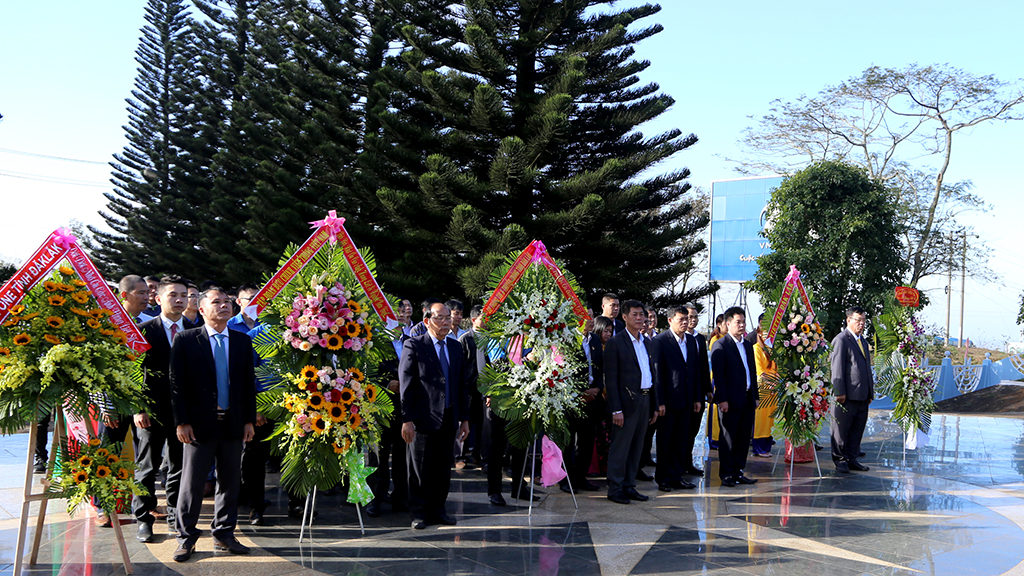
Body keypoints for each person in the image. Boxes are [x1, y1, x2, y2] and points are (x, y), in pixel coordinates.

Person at [169, 287, 257, 562]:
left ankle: (224, 534)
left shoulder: (242, 341)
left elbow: (246, 385)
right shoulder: (186, 339)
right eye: (216, 302)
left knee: (230, 482)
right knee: (192, 484)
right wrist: (181, 422)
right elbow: (176, 384)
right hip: (198, 426)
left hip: (232, 423)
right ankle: (185, 538)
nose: (224, 305)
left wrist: (248, 421)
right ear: (202, 309)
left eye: (226, 302)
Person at [400, 302, 471, 529]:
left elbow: (461, 385)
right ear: (427, 321)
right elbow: (407, 384)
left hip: (448, 416)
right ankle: (419, 513)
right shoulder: (414, 345)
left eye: (447, 318)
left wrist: (464, 418)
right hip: (422, 418)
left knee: (442, 468)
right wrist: (406, 419)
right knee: (419, 468)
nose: (445, 322)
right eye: (440, 317)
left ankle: (438, 509)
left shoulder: (455, 347)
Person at [133, 276, 189, 543]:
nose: (179, 300)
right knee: (147, 466)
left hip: (183, 414)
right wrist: (138, 408)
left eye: (184, 296)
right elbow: (132, 374)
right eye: (173, 295)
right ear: (158, 299)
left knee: (179, 465)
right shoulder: (144, 330)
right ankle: (143, 518)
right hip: (151, 412)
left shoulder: (195, 329)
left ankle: (175, 515)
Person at [604, 300, 662, 504]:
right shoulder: (615, 343)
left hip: (645, 399)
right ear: (625, 317)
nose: (640, 318)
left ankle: (629, 485)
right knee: (621, 446)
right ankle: (615, 487)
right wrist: (616, 409)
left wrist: (654, 405)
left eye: (642, 315)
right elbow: (611, 380)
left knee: (637, 446)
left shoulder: (647, 342)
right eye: (635, 314)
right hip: (626, 403)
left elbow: (651, 373)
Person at [652, 306, 701, 491]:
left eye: (686, 319)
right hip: (668, 401)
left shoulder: (690, 341)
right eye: (681, 319)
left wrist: (697, 397)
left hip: (687, 400)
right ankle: (663, 478)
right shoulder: (660, 341)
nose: (685, 322)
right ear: (670, 320)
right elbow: (657, 374)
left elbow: (694, 371)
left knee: (682, 440)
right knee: (666, 441)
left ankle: (677, 476)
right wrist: (660, 401)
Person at [710, 307, 758, 487]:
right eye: (738, 322)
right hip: (729, 400)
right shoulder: (721, 345)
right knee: (728, 437)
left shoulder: (746, 345)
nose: (742, 325)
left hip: (746, 398)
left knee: (743, 437)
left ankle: (738, 470)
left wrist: (755, 395)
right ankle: (727, 474)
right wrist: (722, 399)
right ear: (727, 324)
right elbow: (719, 376)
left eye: (743, 322)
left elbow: (751, 372)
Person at [560, 311, 603, 493]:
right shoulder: (567, 339)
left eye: (592, 316)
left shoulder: (594, 340)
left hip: (592, 397)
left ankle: (581, 477)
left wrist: (598, 388)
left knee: (586, 441)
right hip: (571, 398)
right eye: (586, 316)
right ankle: (566, 480)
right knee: (568, 443)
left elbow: (600, 367)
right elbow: (562, 371)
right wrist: (580, 393)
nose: (591, 320)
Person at [830, 306, 874, 473]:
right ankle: (840, 459)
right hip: (846, 395)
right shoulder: (841, 340)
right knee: (841, 430)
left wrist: (870, 391)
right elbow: (837, 367)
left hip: (862, 395)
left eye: (863, 320)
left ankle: (852, 457)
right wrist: (839, 391)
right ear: (849, 320)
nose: (861, 323)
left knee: (857, 429)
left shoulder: (862, 341)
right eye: (858, 320)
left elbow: (866, 368)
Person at [681, 304, 711, 476]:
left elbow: (703, 367)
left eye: (694, 316)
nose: (692, 320)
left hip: (698, 392)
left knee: (693, 430)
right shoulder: (677, 339)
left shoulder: (699, 339)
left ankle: (688, 461)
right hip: (682, 395)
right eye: (688, 316)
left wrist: (707, 389)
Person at [752, 317, 777, 458]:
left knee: (770, 420)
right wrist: (771, 382)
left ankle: (766, 447)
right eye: (765, 331)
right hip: (763, 388)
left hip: (774, 389)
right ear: (759, 332)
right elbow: (760, 372)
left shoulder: (772, 349)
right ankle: (758, 448)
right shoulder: (756, 349)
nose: (767, 334)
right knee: (761, 420)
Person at [707, 313, 727, 450]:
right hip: (716, 379)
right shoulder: (716, 340)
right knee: (715, 410)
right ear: (719, 325)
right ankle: (714, 438)